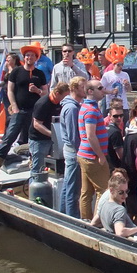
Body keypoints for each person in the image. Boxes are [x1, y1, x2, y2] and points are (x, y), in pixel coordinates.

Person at [0, 43, 48, 172]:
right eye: (27, 55)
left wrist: (37, 91)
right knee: (10, 135)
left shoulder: (39, 74)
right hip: (19, 110)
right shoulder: (17, 71)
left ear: (36, 58)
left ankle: (32, 161)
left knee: (32, 137)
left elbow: (46, 92)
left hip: (34, 111)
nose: (29, 57)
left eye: (32, 55)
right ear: (24, 57)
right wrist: (14, 106)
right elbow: (10, 90)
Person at [77, 80, 110, 221]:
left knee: (86, 192)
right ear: (90, 91)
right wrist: (101, 155)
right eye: (100, 88)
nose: (103, 90)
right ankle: (97, 224)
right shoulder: (90, 110)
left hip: (85, 155)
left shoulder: (88, 107)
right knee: (103, 191)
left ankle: (86, 220)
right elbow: (91, 136)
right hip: (92, 157)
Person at [58, 76, 86, 217]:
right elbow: (73, 136)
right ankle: (72, 218)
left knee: (68, 185)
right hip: (73, 153)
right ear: (74, 89)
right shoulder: (71, 108)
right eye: (82, 87)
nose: (85, 89)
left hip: (70, 151)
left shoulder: (74, 106)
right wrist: (80, 154)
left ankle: (62, 214)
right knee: (73, 189)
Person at [30, 82, 68, 176]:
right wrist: (53, 135)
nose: (66, 99)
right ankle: (35, 188)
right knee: (38, 168)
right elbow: (37, 124)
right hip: (39, 140)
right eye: (65, 96)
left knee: (56, 165)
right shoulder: (43, 103)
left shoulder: (61, 103)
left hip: (54, 139)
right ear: (57, 93)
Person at [92, 173, 137, 238]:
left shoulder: (104, 204)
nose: (125, 195)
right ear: (111, 190)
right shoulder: (119, 209)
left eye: (126, 191)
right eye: (121, 192)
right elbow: (120, 232)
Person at [105, 103, 125, 170]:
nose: (119, 118)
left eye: (121, 115)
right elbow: (121, 156)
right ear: (110, 116)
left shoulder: (107, 128)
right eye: (115, 116)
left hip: (107, 166)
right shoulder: (116, 132)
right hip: (114, 168)